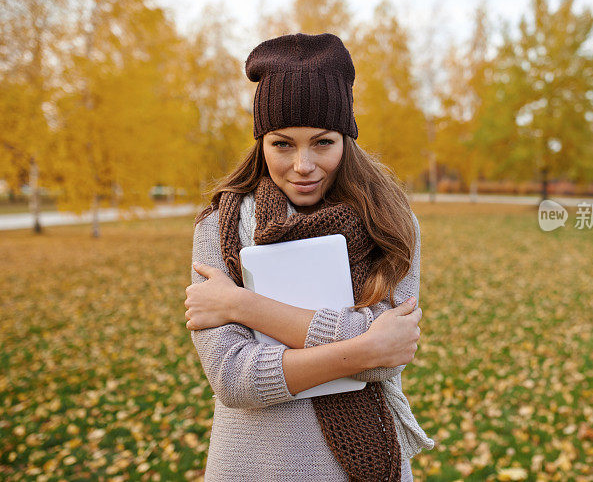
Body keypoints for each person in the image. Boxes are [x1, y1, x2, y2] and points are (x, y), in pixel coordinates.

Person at [183, 32, 433, 481]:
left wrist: (244, 305)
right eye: (282, 144)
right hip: (255, 465)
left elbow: (389, 352)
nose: (303, 164)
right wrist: (362, 348)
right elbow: (233, 378)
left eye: (322, 142)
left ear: (346, 140)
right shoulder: (217, 228)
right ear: (261, 142)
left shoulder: (392, 225)